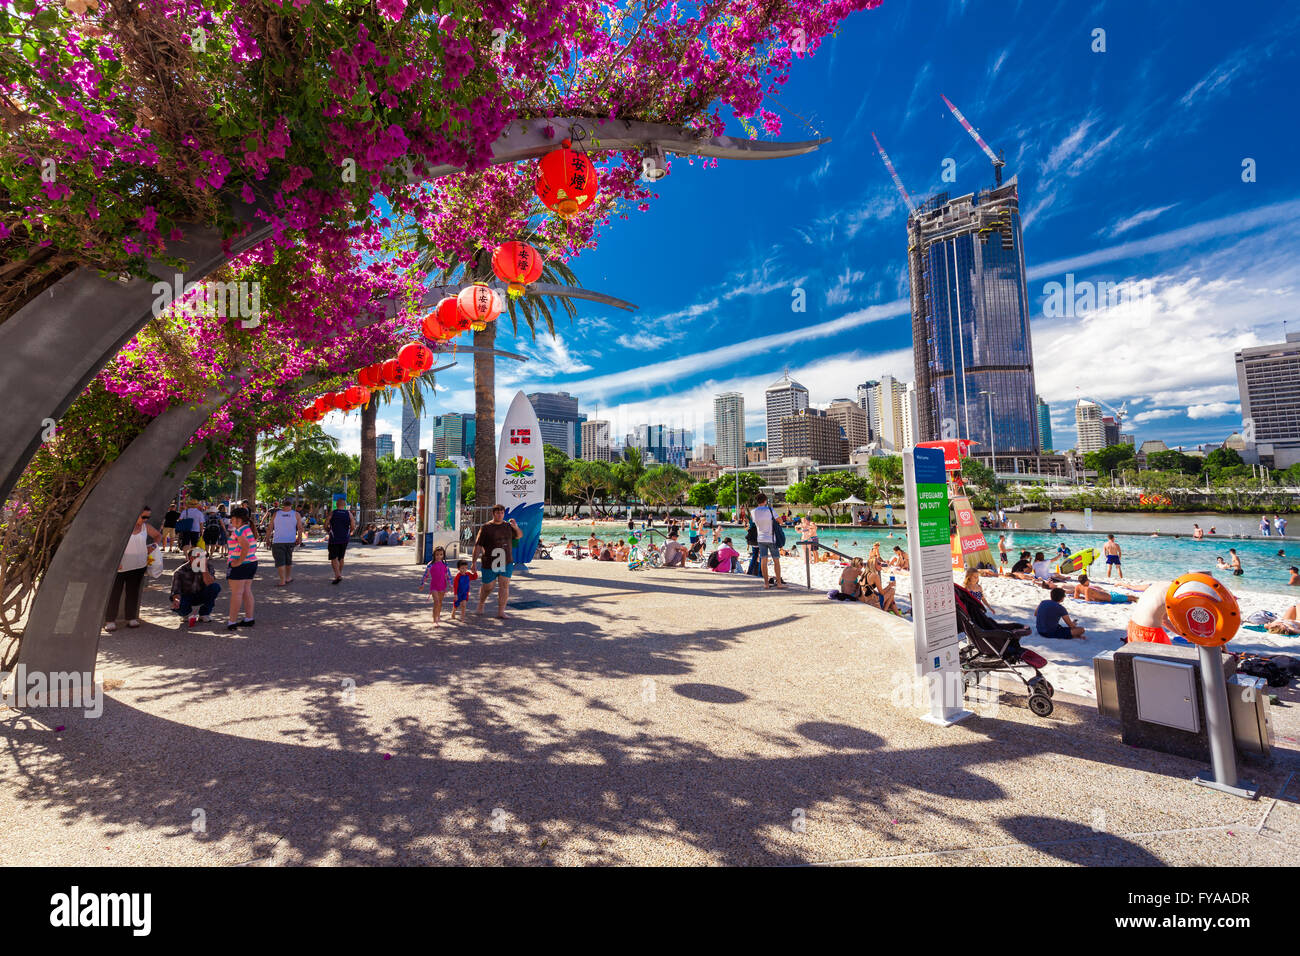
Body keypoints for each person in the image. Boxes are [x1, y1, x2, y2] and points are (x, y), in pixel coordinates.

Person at [104, 504, 163, 632]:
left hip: (139, 565)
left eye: (148, 517)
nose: (146, 519)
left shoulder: (145, 527)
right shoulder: (121, 528)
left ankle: (131, 618)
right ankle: (110, 620)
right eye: (144, 516)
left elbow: (158, 535)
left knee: (133, 592)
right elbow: (110, 544)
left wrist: (152, 546)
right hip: (120, 566)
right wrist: (115, 560)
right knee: (115, 593)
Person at [474, 504, 522, 620]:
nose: (500, 515)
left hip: (506, 561)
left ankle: (501, 611)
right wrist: (473, 562)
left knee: (504, 585)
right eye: (497, 513)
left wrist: (515, 527)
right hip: (490, 561)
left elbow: (519, 535)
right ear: (493, 514)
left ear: (504, 514)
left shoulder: (508, 526)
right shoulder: (486, 527)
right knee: (488, 587)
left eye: (502, 513)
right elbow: (478, 545)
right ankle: (481, 603)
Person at [225, 506, 258, 629]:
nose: (231, 521)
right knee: (246, 591)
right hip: (251, 563)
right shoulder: (247, 529)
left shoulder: (239, 531)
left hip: (242, 564)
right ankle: (249, 618)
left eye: (232, 518)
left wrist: (239, 561)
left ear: (237, 519)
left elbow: (245, 546)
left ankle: (232, 621)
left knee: (237, 593)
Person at [170, 548, 221, 626]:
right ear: (191, 558)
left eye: (204, 557)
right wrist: (176, 600)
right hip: (186, 596)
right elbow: (175, 591)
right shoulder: (180, 571)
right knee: (178, 603)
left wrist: (204, 570)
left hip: (201, 594)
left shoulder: (208, 566)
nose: (203, 559)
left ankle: (204, 614)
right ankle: (185, 613)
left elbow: (209, 583)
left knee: (215, 587)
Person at [266, 498, 304, 587]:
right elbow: (300, 528)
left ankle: (282, 580)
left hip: (278, 541)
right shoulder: (296, 514)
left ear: (283, 504)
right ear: (292, 504)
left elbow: (270, 527)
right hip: (290, 541)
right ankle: (288, 577)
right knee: (288, 559)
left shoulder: (276, 514)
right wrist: (300, 538)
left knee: (280, 561)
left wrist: (267, 538)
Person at [751, 492, 784, 589]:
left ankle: (766, 583)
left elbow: (755, 523)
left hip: (760, 538)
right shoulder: (770, 510)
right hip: (771, 538)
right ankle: (779, 583)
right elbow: (780, 521)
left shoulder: (753, 512)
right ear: (765, 501)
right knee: (776, 560)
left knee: (763, 560)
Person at [327, 498, 355, 584]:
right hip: (344, 538)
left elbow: (326, 523)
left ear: (337, 505)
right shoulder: (349, 513)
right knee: (341, 557)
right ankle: (338, 574)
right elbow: (353, 524)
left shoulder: (333, 513)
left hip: (334, 538)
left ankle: (338, 575)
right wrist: (350, 531)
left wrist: (327, 530)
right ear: (345, 505)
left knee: (333, 557)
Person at [422, 546, 451, 626]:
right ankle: (435, 620)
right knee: (436, 602)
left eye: (441, 554)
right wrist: (422, 584)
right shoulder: (430, 565)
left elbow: (448, 576)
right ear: (434, 555)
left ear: (443, 555)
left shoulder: (445, 565)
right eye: (437, 554)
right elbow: (425, 575)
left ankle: (438, 615)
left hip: (442, 586)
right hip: (434, 586)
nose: (439, 556)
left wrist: (450, 585)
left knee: (440, 603)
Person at [1072, 574, 1138, 604]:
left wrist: (1094, 599)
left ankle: (1136, 598)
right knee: (1131, 598)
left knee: (1127, 597)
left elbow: (1076, 597)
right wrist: (1096, 600)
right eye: (1088, 580)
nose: (1089, 581)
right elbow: (1088, 600)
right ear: (1086, 581)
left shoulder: (1077, 586)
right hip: (1111, 597)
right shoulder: (1087, 589)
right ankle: (1137, 599)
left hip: (1109, 595)